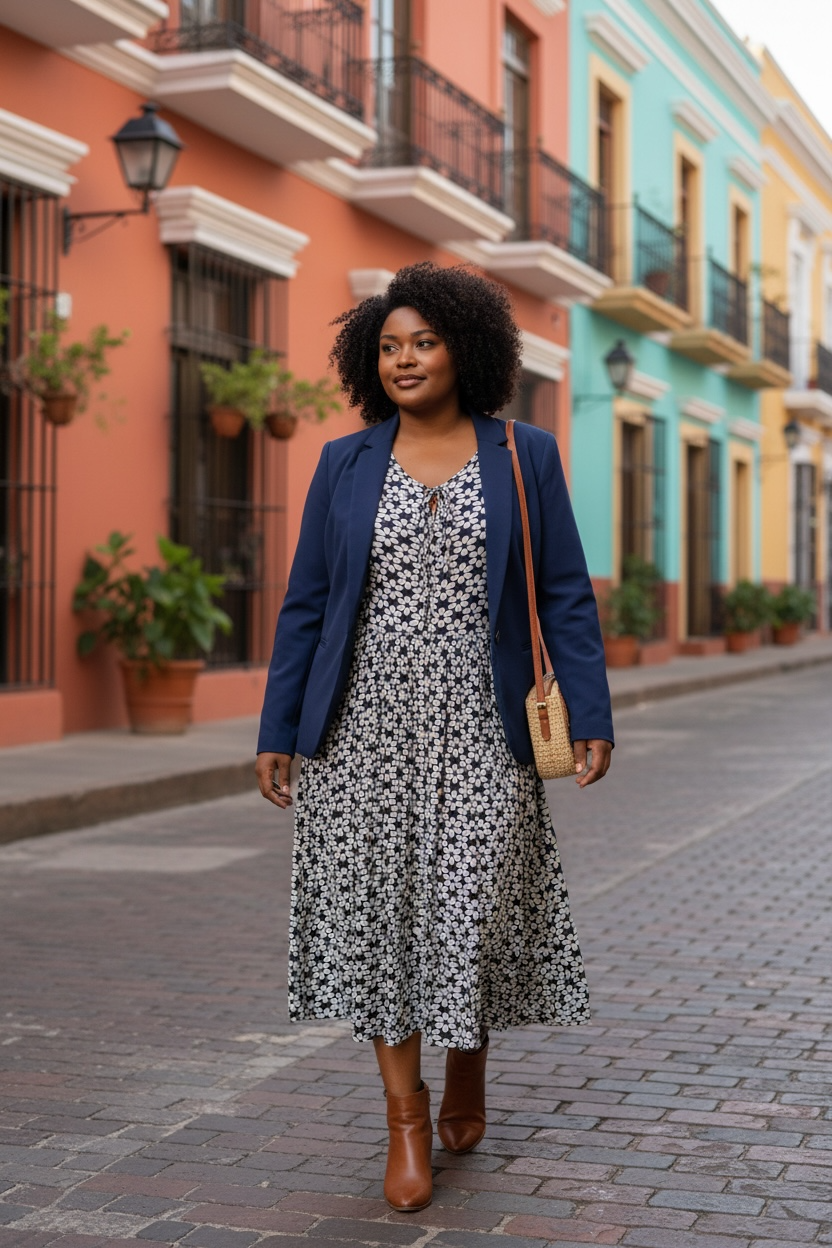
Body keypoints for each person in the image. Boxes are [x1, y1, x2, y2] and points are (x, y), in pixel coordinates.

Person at [255, 261, 613, 1214]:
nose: (406, 359)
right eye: (389, 347)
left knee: (468, 911)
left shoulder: (522, 451)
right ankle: (404, 1120)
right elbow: (308, 603)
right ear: (372, 363)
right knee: (380, 922)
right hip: (360, 728)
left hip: (483, 727)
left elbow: (566, 593)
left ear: (466, 348)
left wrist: (592, 712)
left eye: (424, 341)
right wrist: (279, 726)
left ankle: (468, 1059)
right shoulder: (346, 460)